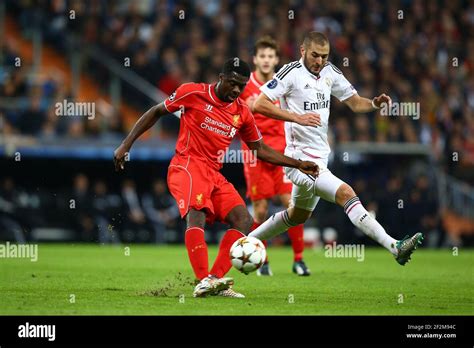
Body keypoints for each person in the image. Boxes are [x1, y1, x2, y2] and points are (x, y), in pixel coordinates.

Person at [114, 58, 318, 298]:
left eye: (241, 86)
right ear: (221, 78)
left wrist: (297, 164)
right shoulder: (192, 92)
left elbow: (260, 149)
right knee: (196, 214)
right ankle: (202, 280)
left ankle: (214, 279)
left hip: (213, 172)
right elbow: (157, 111)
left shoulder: (242, 111)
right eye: (232, 83)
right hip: (187, 165)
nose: (236, 90)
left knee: (243, 219)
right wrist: (126, 144)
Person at [249, 32, 423, 267]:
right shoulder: (290, 73)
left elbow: (354, 102)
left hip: (321, 159)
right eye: (314, 55)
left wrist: (373, 103)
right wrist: (296, 117)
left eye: (324, 56)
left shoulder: (330, 72)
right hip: (300, 161)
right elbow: (260, 104)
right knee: (346, 194)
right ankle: (395, 246)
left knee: (297, 215)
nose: (319, 61)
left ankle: (247, 241)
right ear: (302, 51)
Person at [241, 36, 309, 276]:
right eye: (262, 56)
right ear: (255, 60)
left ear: (276, 59)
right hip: (255, 155)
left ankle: (299, 259)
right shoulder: (244, 87)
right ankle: (263, 261)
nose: (267, 60)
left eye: (271, 56)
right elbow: (234, 119)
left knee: (291, 203)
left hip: (282, 153)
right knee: (259, 209)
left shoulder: (284, 84)